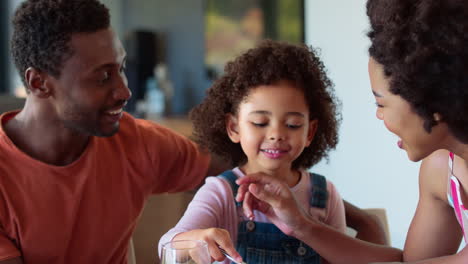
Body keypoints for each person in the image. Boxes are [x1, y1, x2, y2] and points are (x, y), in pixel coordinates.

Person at [235, 0, 468, 263]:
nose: (378, 115)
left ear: (434, 101)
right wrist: (302, 225)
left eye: (381, 103)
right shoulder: (439, 170)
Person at [0, 0, 226, 263]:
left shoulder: (135, 141)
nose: (125, 92)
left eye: (121, 69)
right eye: (103, 77)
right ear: (39, 83)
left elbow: (233, 171)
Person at [159, 40, 346, 264]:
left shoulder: (326, 195)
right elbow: (166, 246)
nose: (276, 134)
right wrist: (196, 238)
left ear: (310, 131)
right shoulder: (221, 192)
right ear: (234, 127)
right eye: (259, 122)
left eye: (293, 124)